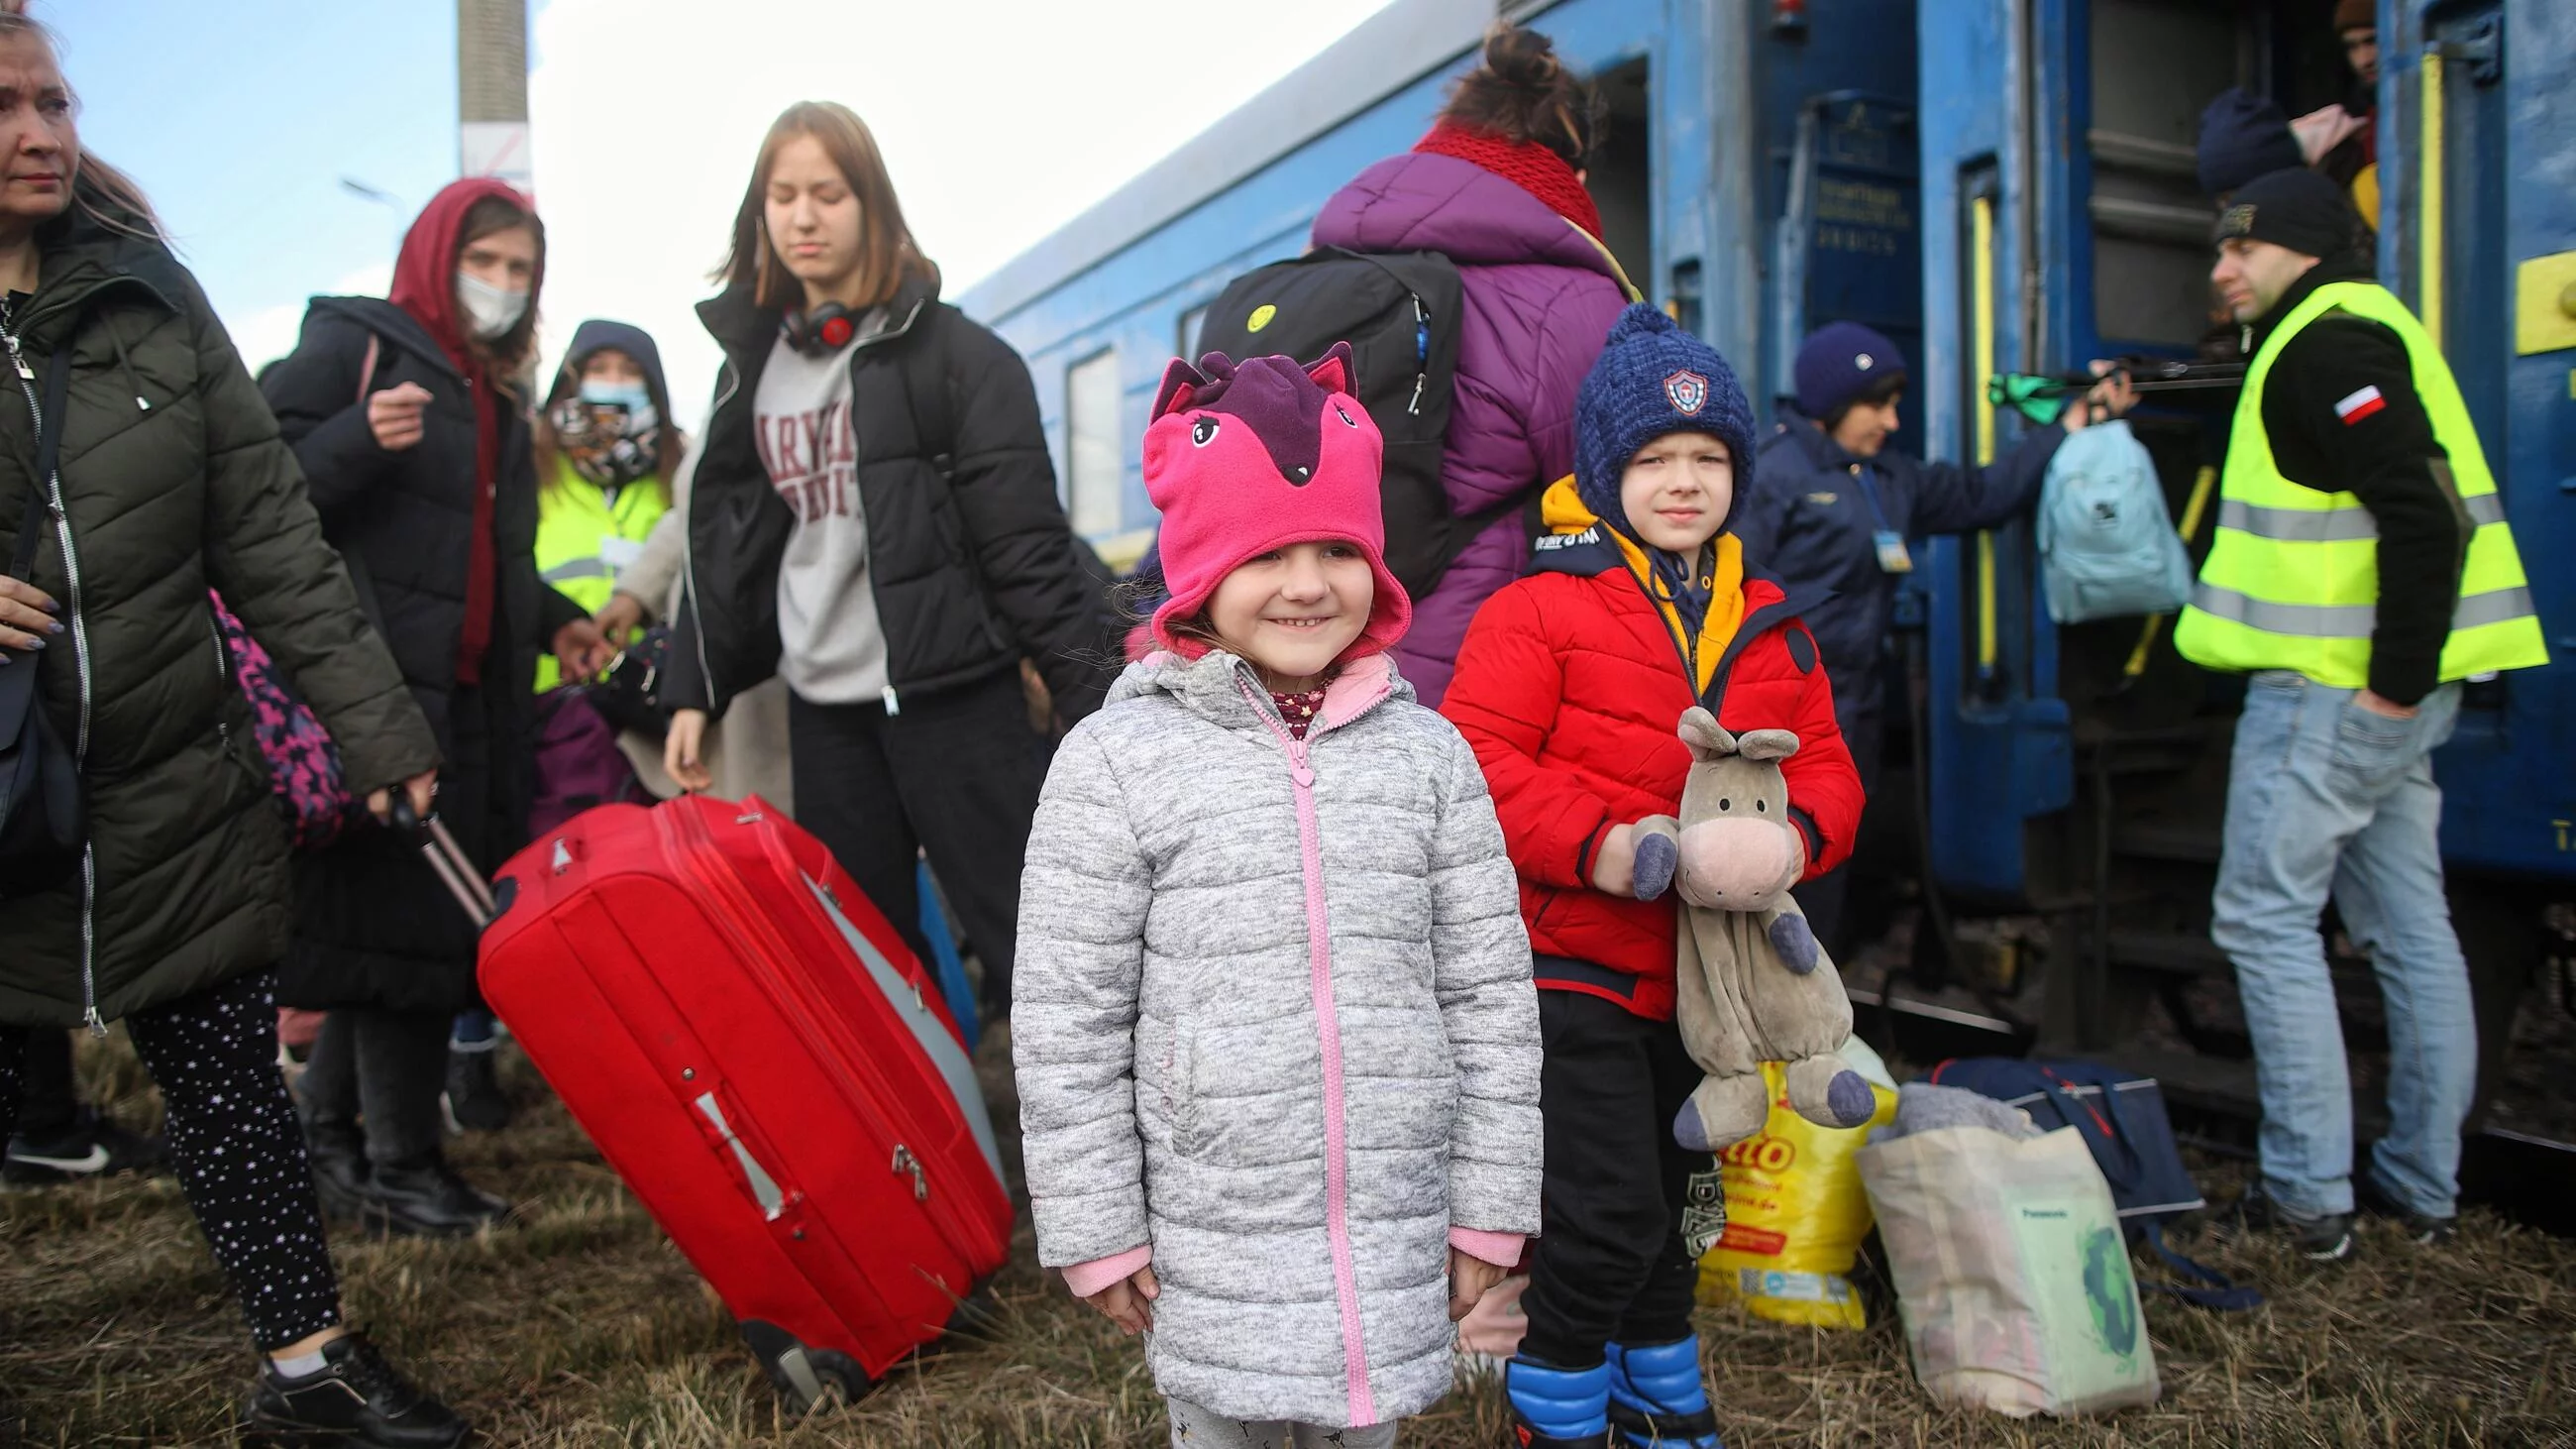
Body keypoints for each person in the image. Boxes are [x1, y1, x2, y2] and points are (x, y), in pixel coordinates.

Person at [0, 10, 467, 1440]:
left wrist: (377, 731)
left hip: (167, 774)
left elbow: (268, 531)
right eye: (2, 105)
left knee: (227, 1079)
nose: (36, 131)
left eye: (53, 100)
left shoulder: (150, 296)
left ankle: (309, 1369)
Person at [1014, 345, 1541, 1447]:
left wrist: (1489, 1206)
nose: (1308, 584)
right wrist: (1096, 1227)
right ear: (1200, 573)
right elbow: (1067, 1019)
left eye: (1337, 549)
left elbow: (1490, 1000)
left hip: (1390, 1223)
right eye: (1268, 554)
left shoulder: (1430, 758)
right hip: (1211, 1231)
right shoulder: (1115, 761)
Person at [1442, 306, 1863, 1449]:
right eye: (1653, 459)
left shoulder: (1769, 625)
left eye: (1707, 458)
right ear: (1602, 470)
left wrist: (1790, 843)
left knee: (1686, 1207)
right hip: (1572, 969)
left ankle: (1656, 1383)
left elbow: (1827, 769)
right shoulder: (1536, 610)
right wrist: (1610, 846)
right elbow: (1474, 760)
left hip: (1707, 984)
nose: (1683, 481)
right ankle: (1557, 1401)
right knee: (1607, 1211)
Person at [665, 100, 1110, 1020]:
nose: (802, 216)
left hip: (956, 702)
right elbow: (729, 549)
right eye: (781, 196)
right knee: (872, 975)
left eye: (827, 192)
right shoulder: (749, 369)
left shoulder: (961, 359)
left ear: (872, 204)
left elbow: (1027, 549)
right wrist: (691, 688)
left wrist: (1097, 708)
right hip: (825, 717)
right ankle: (934, 1161)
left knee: (1037, 957)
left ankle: (1081, 1159)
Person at [2179, 167, 2548, 1258]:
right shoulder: (2365, 326)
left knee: (2262, 918)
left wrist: (2390, 683)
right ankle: (2420, 1189)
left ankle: (2303, 1198)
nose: (2220, 269)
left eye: (2241, 249)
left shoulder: (2324, 346)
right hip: (2381, 695)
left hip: (2328, 696)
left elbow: (2424, 518)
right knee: (2408, 928)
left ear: (2299, 249)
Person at [260, 177, 610, 1236]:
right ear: (435, 254)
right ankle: (403, 1162)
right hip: (370, 702)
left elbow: (487, 558)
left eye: (519, 271)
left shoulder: (495, 401)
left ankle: (337, 1152)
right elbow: (257, 495)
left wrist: (553, 616)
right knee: (405, 942)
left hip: (466, 707)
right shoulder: (352, 345)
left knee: (381, 947)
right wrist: (357, 437)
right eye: (486, 261)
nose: (500, 288)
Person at [1735, 322, 2133, 955]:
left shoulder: (1891, 478)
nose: (1892, 421)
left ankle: (1811, 1024)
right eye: (1877, 404)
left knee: (1825, 868)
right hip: (1779, 719)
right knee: (1771, 871)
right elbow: (1728, 597)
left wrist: (2070, 425)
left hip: (1855, 712)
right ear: (1832, 403)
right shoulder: (1773, 475)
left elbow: (1986, 495)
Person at [1306, 20, 1634, 708]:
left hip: (1299, 652)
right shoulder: (1576, 300)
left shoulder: (1321, 271)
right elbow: (1623, 509)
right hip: (1461, 684)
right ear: (1569, 165)